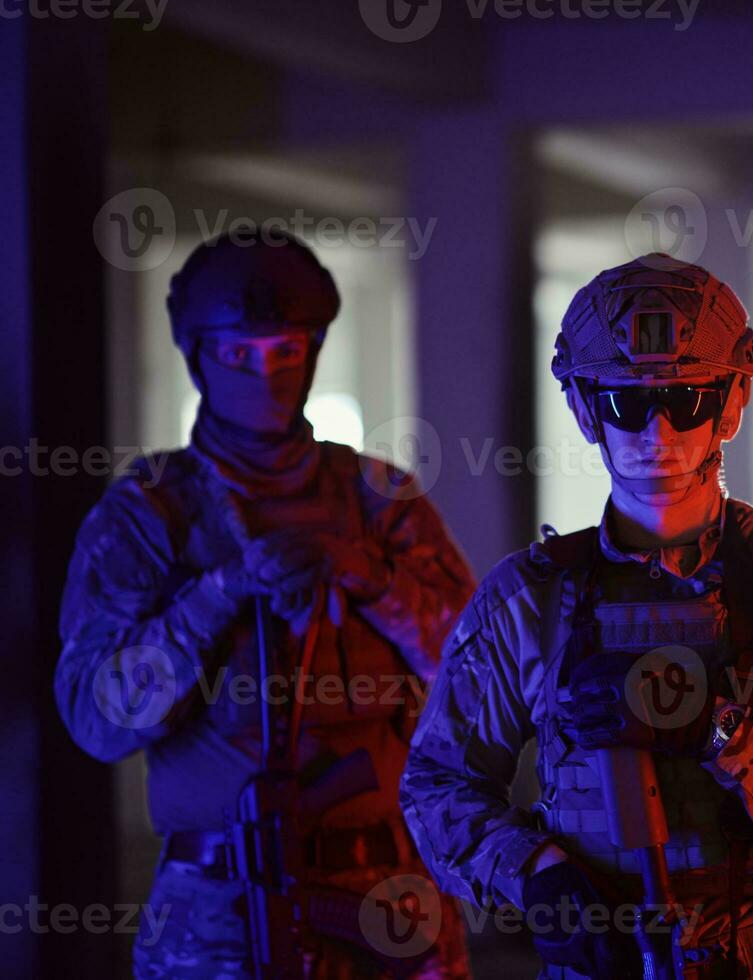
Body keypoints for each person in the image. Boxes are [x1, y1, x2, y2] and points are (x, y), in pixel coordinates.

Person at [400, 254, 753, 979]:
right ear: (581, 408)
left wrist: (723, 732)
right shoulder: (528, 602)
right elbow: (438, 785)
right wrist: (539, 875)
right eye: (626, 403)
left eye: (687, 400)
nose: (657, 432)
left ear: (731, 404)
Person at [54, 226, 473, 978]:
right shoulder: (150, 516)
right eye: (240, 355)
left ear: (313, 354)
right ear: (197, 357)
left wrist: (369, 577)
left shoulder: (379, 502)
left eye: (286, 352)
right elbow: (98, 719)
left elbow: (481, 681)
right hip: (220, 902)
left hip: (389, 894)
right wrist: (217, 596)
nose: (267, 375)